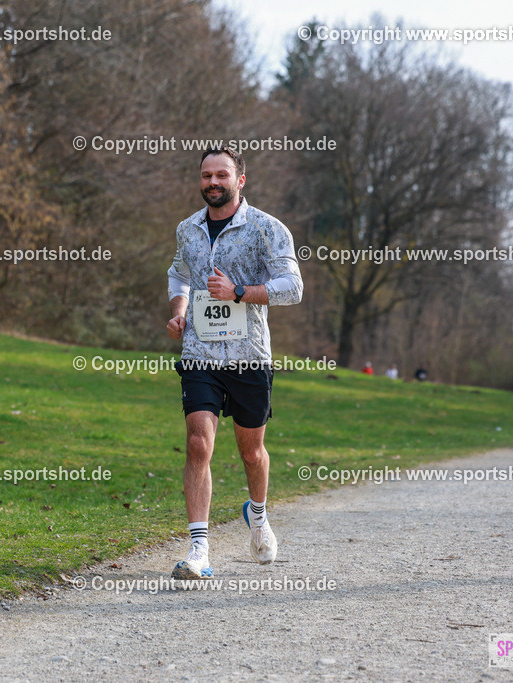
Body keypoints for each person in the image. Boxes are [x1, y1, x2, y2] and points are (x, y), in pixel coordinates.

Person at [165, 147, 303, 580]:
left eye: (221, 174)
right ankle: (199, 550)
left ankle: (258, 515)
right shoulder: (187, 228)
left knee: (252, 452)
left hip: (249, 357)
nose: (212, 182)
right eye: (206, 175)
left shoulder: (266, 229)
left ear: (240, 180)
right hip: (200, 353)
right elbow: (178, 272)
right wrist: (180, 308)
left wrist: (239, 292)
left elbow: (292, 287)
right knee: (197, 443)